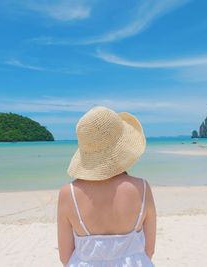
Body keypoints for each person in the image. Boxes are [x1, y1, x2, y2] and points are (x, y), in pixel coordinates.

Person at [57, 106, 157, 266]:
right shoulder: (142, 188)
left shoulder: (68, 193)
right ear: (123, 147)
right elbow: (149, 250)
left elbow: (64, 257)